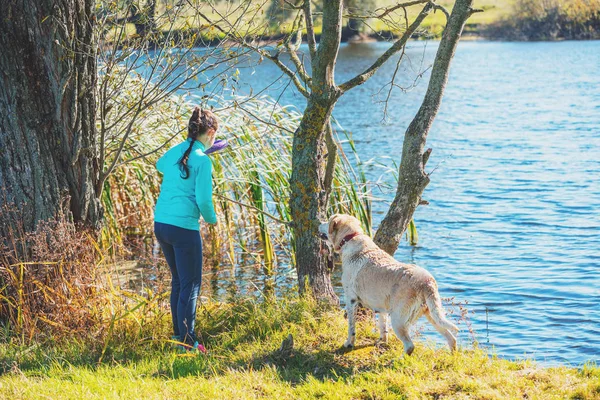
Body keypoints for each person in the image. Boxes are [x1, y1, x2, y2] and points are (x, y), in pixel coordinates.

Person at [154, 106, 219, 353]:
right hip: (183, 229)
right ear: (211, 132)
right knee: (191, 284)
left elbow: (160, 165)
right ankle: (188, 342)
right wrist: (211, 219)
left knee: (179, 282)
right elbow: (203, 201)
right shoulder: (203, 161)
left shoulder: (179, 151)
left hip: (162, 224)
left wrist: (183, 163)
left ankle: (178, 338)